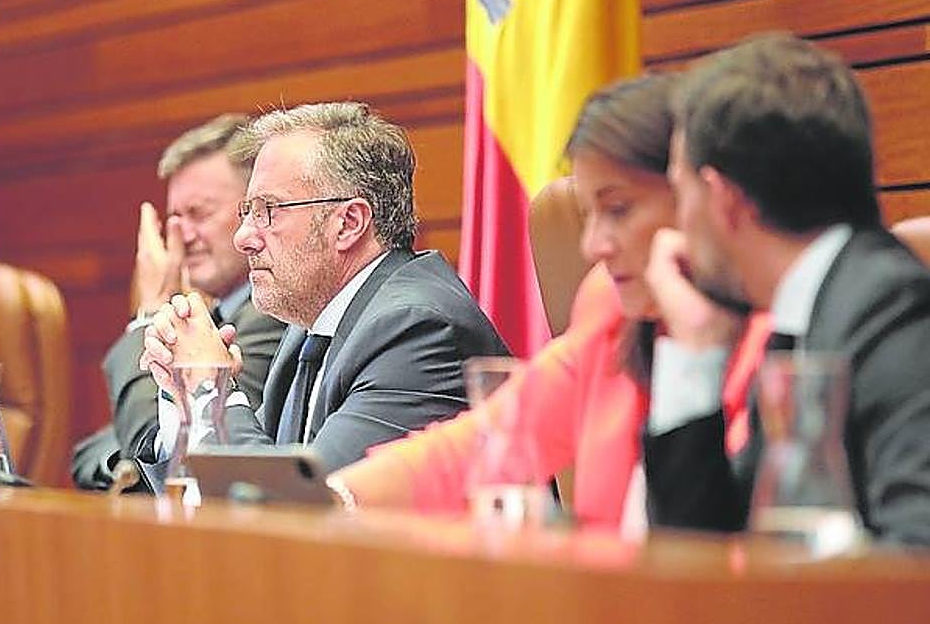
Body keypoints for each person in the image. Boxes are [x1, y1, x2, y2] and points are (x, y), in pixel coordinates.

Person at [329, 75, 770, 531]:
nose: (593, 245)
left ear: (698, 198)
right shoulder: (611, 310)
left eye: (618, 210)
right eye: (588, 214)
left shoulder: (780, 336)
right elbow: (485, 443)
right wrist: (337, 498)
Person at [643, 33, 930, 546]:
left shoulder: (891, 310)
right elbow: (700, 564)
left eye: (679, 191)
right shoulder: (812, 311)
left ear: (723, 200)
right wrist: (696, 347)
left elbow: (917, 556)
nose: (678, 225)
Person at [139, 101, 509, 472]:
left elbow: (303, 507)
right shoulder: (310, 328)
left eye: (269, 210)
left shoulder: (416, 329)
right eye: (247, 212)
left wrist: (212, 388)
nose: (244, 237)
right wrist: (184, 395)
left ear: (348, 223)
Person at [70, 114, 286, 490]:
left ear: (254, 208)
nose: (181, 236)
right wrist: (124, 463)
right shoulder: (214, 314)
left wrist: (150, 311)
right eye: (174, 216)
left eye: (199, 214)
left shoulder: (271, 312)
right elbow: (93, 450)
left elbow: (156, 433)